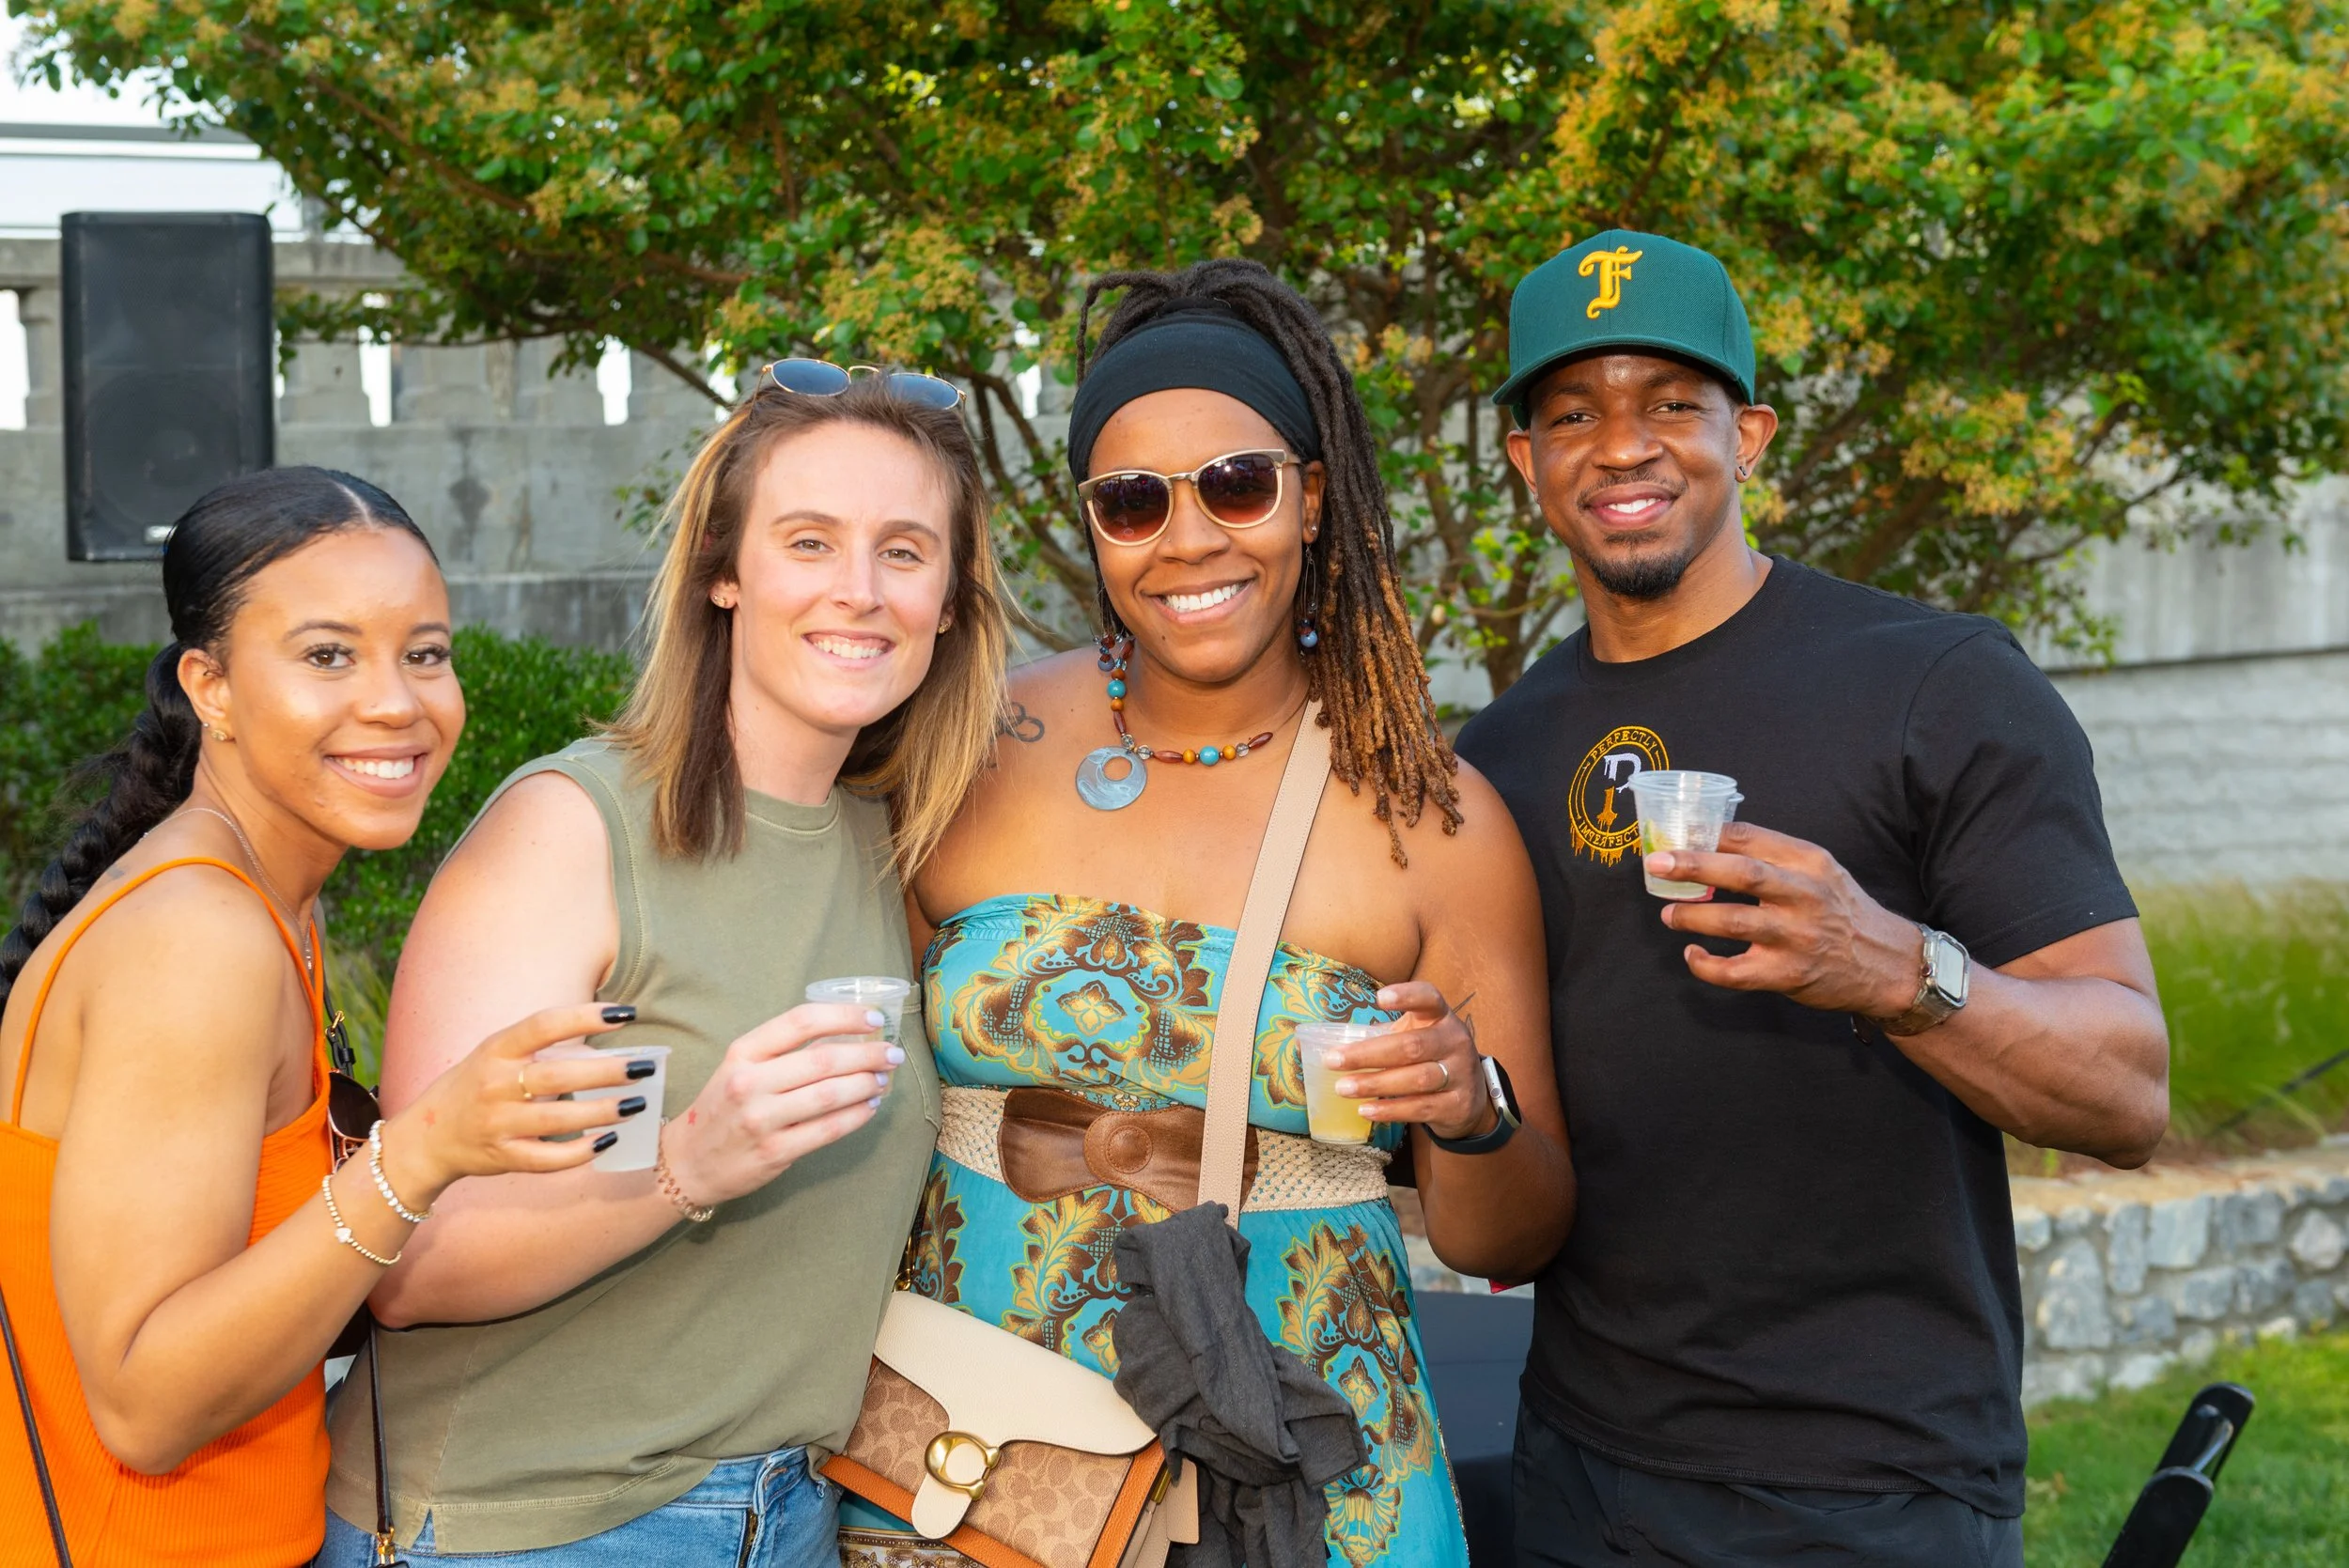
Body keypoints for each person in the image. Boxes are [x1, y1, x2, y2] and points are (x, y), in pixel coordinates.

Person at [837, 259, 1576, 1568]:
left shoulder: (1430, 811)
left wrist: (1472, 1109)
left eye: (1236, 484)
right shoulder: (971, 742)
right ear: (1092, 528)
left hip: (1303, 1455)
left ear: (1311, 496)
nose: (1189, 540)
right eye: (1134, 502)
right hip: (984, 1450)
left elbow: (1504, 1231)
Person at [1455, 230, 2170, 1565]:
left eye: (1672, 402)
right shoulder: (1494, 759)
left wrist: (1897, 969)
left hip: (1874, 1474)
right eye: (1573, 412)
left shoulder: (1937, 684)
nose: (1623, 446)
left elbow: (2127, 1090)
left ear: (1754, 433)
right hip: (1583, 1467)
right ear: (1524, 460)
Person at [319, 367, 1010, 1565]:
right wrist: (691, 1162)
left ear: (949, 600)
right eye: (809, 542)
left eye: (905, 551)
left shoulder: (887, 849)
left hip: (795, 1515)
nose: (859, 590)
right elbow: (410, 1266)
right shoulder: (569, 831)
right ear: (723, 574)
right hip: (518, 1528)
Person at [0, 467, 648, 1567]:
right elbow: (146, 1406)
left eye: (426, 652)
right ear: (210, 685)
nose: (397, 700)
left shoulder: (261, 901)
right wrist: (424, 1151)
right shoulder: (198, 939)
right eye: (327, 655)